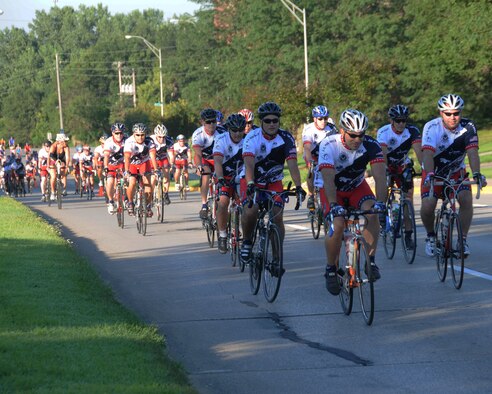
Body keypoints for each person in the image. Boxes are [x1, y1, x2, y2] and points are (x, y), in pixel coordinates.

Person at [319, 109, 387, 295]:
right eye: (352, 135)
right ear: (342, 131)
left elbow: (381, 176)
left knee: (373, 213)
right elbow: (328, 179)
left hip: (357, 186)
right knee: (338, 223)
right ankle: (330, 270)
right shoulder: (329, 144)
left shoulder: (371, 144)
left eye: (361, 135)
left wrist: (382, 203)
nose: (357, 139)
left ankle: (370, 262)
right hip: (333, 189)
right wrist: (334, 205)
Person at [239, 102, 306, 266]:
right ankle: (247, 241)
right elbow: (248, 163)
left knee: (277, 215)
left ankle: (277, 258)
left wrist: (298, 187)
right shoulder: (252, 137)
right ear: (261, 122)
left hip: (273, 182)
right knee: (251, 209)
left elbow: (292, 165)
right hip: (251, 180)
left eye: (275, 120)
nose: (271, 124)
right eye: (267, 121)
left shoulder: (286, 138)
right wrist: (250, 183)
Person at [420, 94, 486, 257]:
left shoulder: (468, 126)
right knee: (428, 205)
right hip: (434, 171)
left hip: (456, 171)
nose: (452, 117)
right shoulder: (431, 126)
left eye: (456, 113)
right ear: (441, 113)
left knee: (465, 198)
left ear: (461, 113)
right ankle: (430, 236)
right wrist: (429, 175)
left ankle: (462, 240)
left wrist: (477, 173)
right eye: (448, 113)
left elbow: (472, 152)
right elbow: (427, 154)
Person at [377, 104, 422, 249]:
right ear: (392, 121)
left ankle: (408, 235)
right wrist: (384, 169)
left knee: (407, 197)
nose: (401, 124)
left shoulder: (412, 131)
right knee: (384, 185)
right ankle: (382, 212)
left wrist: (425, 168)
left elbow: (418, 151)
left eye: (404, 120)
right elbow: (382, 153)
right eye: (398, 121)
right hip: (387, 164)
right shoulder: (384, 132)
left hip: (402, 163)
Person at [213, 113, 246, 254]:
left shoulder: (248, 140)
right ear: (229, 130)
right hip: (224, 176)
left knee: (246, 204)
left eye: (241, 130)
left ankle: (246, 235)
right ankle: (222, 235)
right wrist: (220, 178)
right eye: (234, 130)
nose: (238, 133)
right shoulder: (221, 140)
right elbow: (218, 162)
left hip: (242, 175)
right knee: (223, 202)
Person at [302, 105, 338, 210]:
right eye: (320, 119)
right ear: (314, 119)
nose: (323, 121)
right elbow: (307, 148)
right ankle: (311, 195)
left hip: (326, 155)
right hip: (312, 154)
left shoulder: (331, 128)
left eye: (325, 118)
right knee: (311, 171)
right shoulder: (309, 129)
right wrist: (310, 163)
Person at [192, 108, 222, 219]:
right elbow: (198, 154)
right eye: (208, 122)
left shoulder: (222, 132)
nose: (211, 124)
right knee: (206, 174)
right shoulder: (198, 134)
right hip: (204, 159)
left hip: (218, 159)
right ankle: (204, 204)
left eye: (213, 121)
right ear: (203, 122)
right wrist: (199, 166)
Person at [123, 123, 158, 217]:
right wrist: (126, 171)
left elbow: (152, 156)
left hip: (144, 163)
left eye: (142, 135)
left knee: (148, 184)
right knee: (132, 182)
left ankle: (147, 205)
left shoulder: (149, 141)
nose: (140, 137)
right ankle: (130, 203)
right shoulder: (129, 141)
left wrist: (156, 169)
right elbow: (127, 157)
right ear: (134, 134)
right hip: (132, 164)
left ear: (145, 134)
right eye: (137, 135)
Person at [104, 123, 127, 214]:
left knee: (128, 179)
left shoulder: (127, 140)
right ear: (113, 133)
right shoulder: (109, 142)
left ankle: (126, 198)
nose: (119, 135)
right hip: (111, 164)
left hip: (123, 164)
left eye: (121, 133)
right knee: (110, 182)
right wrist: (105, 166)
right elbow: (106, 156)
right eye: (117, 133)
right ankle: (111, 201)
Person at [151, 124, 174, 205]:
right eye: (159, 137)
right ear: (156, 135)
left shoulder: (169, 141)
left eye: (163, 137)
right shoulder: (151, 140)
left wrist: (171, 163)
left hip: (163, 157)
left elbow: (171, 154)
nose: (161, 139)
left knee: (167, 174)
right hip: (152, 158)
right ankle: (151, 194)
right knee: (153, 177)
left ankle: (166, 194)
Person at [49, 133, 70, 200]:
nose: (66, 142)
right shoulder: (54, 146)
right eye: (65, 141)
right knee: (54, 176)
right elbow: (51, 155)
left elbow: (67, 157)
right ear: (60, 141)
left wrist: (67, 166)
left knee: (63, 173)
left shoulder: (66, 147)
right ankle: (52, 192)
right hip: (53, 159)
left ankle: (64, 189)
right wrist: (55, 162)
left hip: (61, 159)